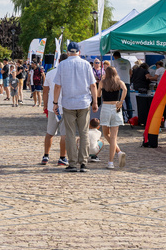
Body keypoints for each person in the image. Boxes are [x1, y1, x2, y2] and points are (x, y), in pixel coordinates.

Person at [52, 41, 98, 173]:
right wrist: (95, 102)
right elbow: (93, 85)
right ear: (79, 52)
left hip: (68, 103)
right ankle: (83, 163)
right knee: (84, 133)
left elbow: (57, 86)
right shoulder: (86, 65)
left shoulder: (62, 65)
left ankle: (72, 163)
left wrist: (55, 103)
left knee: (70, 134)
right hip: (83, 102)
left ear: (68, 52)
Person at [41, 54, 68, 166]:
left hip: (53, 107)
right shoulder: (69, 74)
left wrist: (45, 106)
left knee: (50, 133)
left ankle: (46, 156)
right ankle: (62, 157)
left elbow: (45, 91)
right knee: (64, 135)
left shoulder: (50, 73)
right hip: (66, 107)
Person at [99, 66, 128, 169]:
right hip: (116, 107)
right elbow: (125, 89)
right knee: (113, 136)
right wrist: (121, 101)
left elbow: (98, 94)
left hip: (106, 107)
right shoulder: (119, 81)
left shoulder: (103, 82)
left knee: (106, 133)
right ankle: (112, 160)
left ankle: (117, 155)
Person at [111, 51, 133, 120]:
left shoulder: (114, 62)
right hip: (127, 82)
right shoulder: (128, 61)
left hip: (119, 82)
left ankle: (122, 116)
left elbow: (112, 73)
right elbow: (130, 73)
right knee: (128, 100)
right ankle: (130, 117)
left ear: (115, 56)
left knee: (120, 99)